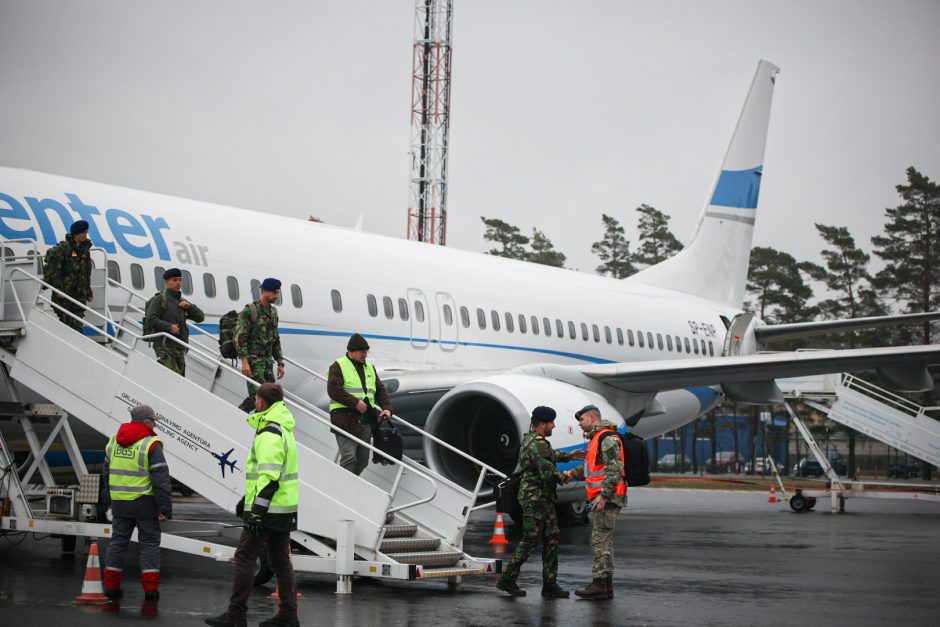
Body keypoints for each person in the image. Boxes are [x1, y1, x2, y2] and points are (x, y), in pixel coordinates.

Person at [205, 383, 299, 627]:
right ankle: (288, 615)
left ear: (260, 402)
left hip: (267, 511)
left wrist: (255, 511)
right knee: (281, 562)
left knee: (245, 558)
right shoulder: (284, 429)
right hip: (283, 510)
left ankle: (236, 615)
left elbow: (269, 477)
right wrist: (245, 501)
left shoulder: (269, 432)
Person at [496, 406, 585, 598]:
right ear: (542, 424)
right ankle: (507, 579)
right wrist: (574, 474)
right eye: (551, 422)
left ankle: (550, 584)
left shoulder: (532, 440)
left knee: (552, 538)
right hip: (534, 499)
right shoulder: (538, 444)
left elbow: (548, 456)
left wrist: (569, 455)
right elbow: (549, 472)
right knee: (530, 539)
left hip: (543, 498)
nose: (554, 425)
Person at [102, 404, 172, 601]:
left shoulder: (113, 442)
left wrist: (109, 498)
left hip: (119, 503)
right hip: (144, 504)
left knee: (117, 544)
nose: (154, 425)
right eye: (153, 421)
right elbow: (161, 480)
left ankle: (111, 587)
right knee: (149, 545)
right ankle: (150, 591)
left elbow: (106, 473)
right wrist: (166, 508)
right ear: (146, 421)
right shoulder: (150, 444)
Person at [568, 404, 626, 600]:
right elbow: (590, 469)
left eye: (581, 420)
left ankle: (599, 584)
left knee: (599, 541)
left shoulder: (607, 439)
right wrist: (569, 475)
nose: (579, 424)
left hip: (607, 498)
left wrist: (604, 495)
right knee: (605, 543)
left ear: (592, 417)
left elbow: (614, 469)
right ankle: (605, 585)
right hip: (605, 497)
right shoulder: (596, 440)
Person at [327, 333, 392, 475]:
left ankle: (348, 486)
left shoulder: (370, 367)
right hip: (345, 419)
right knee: (349, 457)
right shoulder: (338, 365)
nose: (365, 355)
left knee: (362, 461)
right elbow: (333, 390)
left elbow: (380, 390)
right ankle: (345, 490)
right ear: (351, 352)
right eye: (362, 352)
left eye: (366, 352)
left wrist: (387, 408)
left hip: (366, 421)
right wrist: (355, 403)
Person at [235, 278, 285, 412]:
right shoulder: (250, 310)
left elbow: (275, 338)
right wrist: (244, 362)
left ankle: (251, 419)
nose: (276, 296)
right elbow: (239, 337)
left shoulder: (273, 312)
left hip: (267, 362)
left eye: (278, 293)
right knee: (258, 396)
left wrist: (280, 362)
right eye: (274, 293)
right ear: (264, 291)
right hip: (253, 360)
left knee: (270, 398)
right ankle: (239, 414)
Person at [144, 268, 205, 376]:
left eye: (180, 280)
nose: (178, 283)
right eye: (174, 280)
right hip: (164, 346)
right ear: (166, 281)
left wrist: (189, 307)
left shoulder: (181, 301)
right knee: (171, 379)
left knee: (180, 380)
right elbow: (151, 318)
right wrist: (169, 327)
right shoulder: (159, 299)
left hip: (179, 347)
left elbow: (200, 317)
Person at [44, 219, 93, 332]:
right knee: (68, 325)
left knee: (76, 325)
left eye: (86, 232)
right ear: (75, 233)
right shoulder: (64, 248)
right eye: (82, 232)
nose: (85, 235)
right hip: (64, 295)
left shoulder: (85, 250)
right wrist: (58, 289)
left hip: (79, 296)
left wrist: (88, 292)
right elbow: (56, 271)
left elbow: (86, 273)